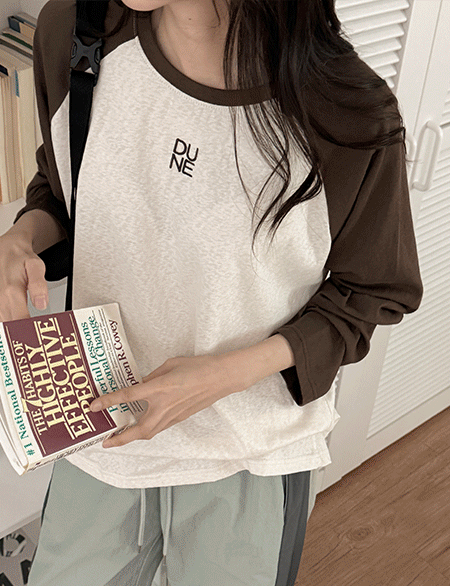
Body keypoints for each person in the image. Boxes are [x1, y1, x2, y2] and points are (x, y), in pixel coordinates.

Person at [0, 0, 423, 584]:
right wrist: (21, 237)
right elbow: (62, 185)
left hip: (248, 457)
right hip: (101, 439)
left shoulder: (347, 113)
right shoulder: (75, 32)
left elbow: (372, 292)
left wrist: (219, 377)